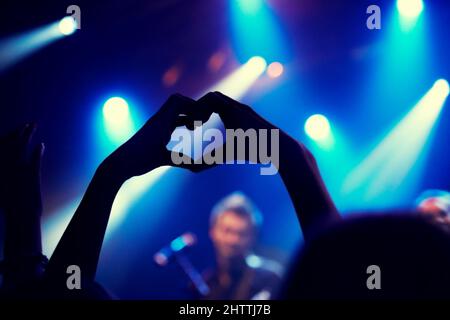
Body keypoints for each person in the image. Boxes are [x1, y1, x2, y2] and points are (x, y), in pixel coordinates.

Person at [203, 192, 282, 300]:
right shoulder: (206, 283)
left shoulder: (270, 279)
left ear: (253, 237)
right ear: (213, 232)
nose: (233, 240)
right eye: (227, 231)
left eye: (242, 233)